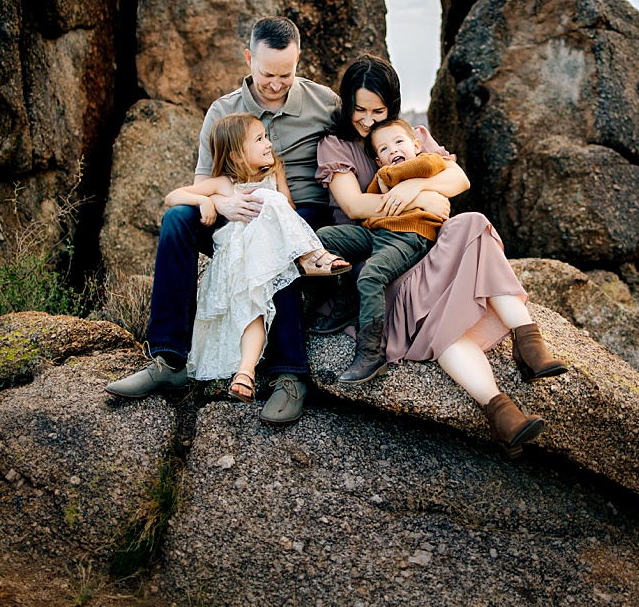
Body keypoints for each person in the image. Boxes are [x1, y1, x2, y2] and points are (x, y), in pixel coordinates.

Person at [315, 54, 569, 458]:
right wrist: (428, 195)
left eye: (377, 110)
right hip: (386, 263)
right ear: (347, 104)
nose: (367, 119)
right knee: (441, 324)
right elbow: (357, 206)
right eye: (359, 109)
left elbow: (458, 180)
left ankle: (528, 341)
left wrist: (414, 189)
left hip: (427, 248)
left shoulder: (408, 136)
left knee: (471, 223)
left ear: (391, 107)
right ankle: (500, 407)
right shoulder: (337, 145)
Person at [106, 17, 341, 426]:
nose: (275, 83)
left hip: (300, 214)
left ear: (298, 60)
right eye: (267, 73)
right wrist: (227, 203)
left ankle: (290, 374)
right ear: (249, 59)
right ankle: (169, 359)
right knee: (178, 219)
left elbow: (366, 140)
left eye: (285, 74)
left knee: (272, 231)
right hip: (235, 209)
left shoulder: (326, 104)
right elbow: (202, 186)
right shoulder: (224, 110)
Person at [166, 113, 350, 401]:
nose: (268, 143)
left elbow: (288, 209)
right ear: (238, 154)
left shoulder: (274, 173)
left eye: (266, 136)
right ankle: (311, 258)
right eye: (260, 138)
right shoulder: (222, 184)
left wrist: (269, 200)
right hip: (238, 259)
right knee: (250, 310)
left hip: (265, 257)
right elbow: (172, 198)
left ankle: (245, 372)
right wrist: (206, 200)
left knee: (258, 309)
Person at [316, 118, 448, 383]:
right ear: (377, 159)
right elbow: (368, 204)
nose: (393, 151)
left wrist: (394, 175)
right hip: (376, 232)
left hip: (409, 236)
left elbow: (428, 164)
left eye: (399, 143)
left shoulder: (425, 163)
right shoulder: (381, 175)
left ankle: (370, 353)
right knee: (323, 237)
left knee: (370, 276)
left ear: (416, 144)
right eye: (384, 150)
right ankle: (345, 300)